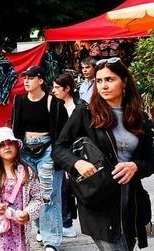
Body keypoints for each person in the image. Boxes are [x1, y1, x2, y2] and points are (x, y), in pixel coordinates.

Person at [53, 57, 154, 250]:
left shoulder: (139, 118)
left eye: (110, 79)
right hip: (98, 199)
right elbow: (59, 148)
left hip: (130, 201)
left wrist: (136, 166)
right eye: (99, 81)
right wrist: (77, 163)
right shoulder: (86, 113)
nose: (103, 86)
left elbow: (150, 160)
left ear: (124, 82)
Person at [12, 66, 68, 251]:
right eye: (24, 78)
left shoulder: (54, 102)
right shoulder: (19, 100)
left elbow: (61, 133)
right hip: (26, 149)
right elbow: (16, 130)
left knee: (48, 194)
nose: (26, 81)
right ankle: (40, 229)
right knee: (29, 193)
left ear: (41, 80)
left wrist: (58, 154)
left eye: (30, 77)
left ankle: (51, 239)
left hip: (48, 149)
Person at [0, 127, 43, 250]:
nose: (7, 147)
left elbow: (38, 199)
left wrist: (28, 213)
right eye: (2, 145)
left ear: (16, 146)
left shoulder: (27, 171)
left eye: (10, 143)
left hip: (19, 229)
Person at [51, 73, 87, 238]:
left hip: (77, 153)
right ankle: (64, 222)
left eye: (57, 87)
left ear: (67, 88)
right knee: (60, 189)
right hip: (59, 152)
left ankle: (68, 222)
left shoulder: (81, 106)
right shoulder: (54, 106)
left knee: (72, 188)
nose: (54, 91)